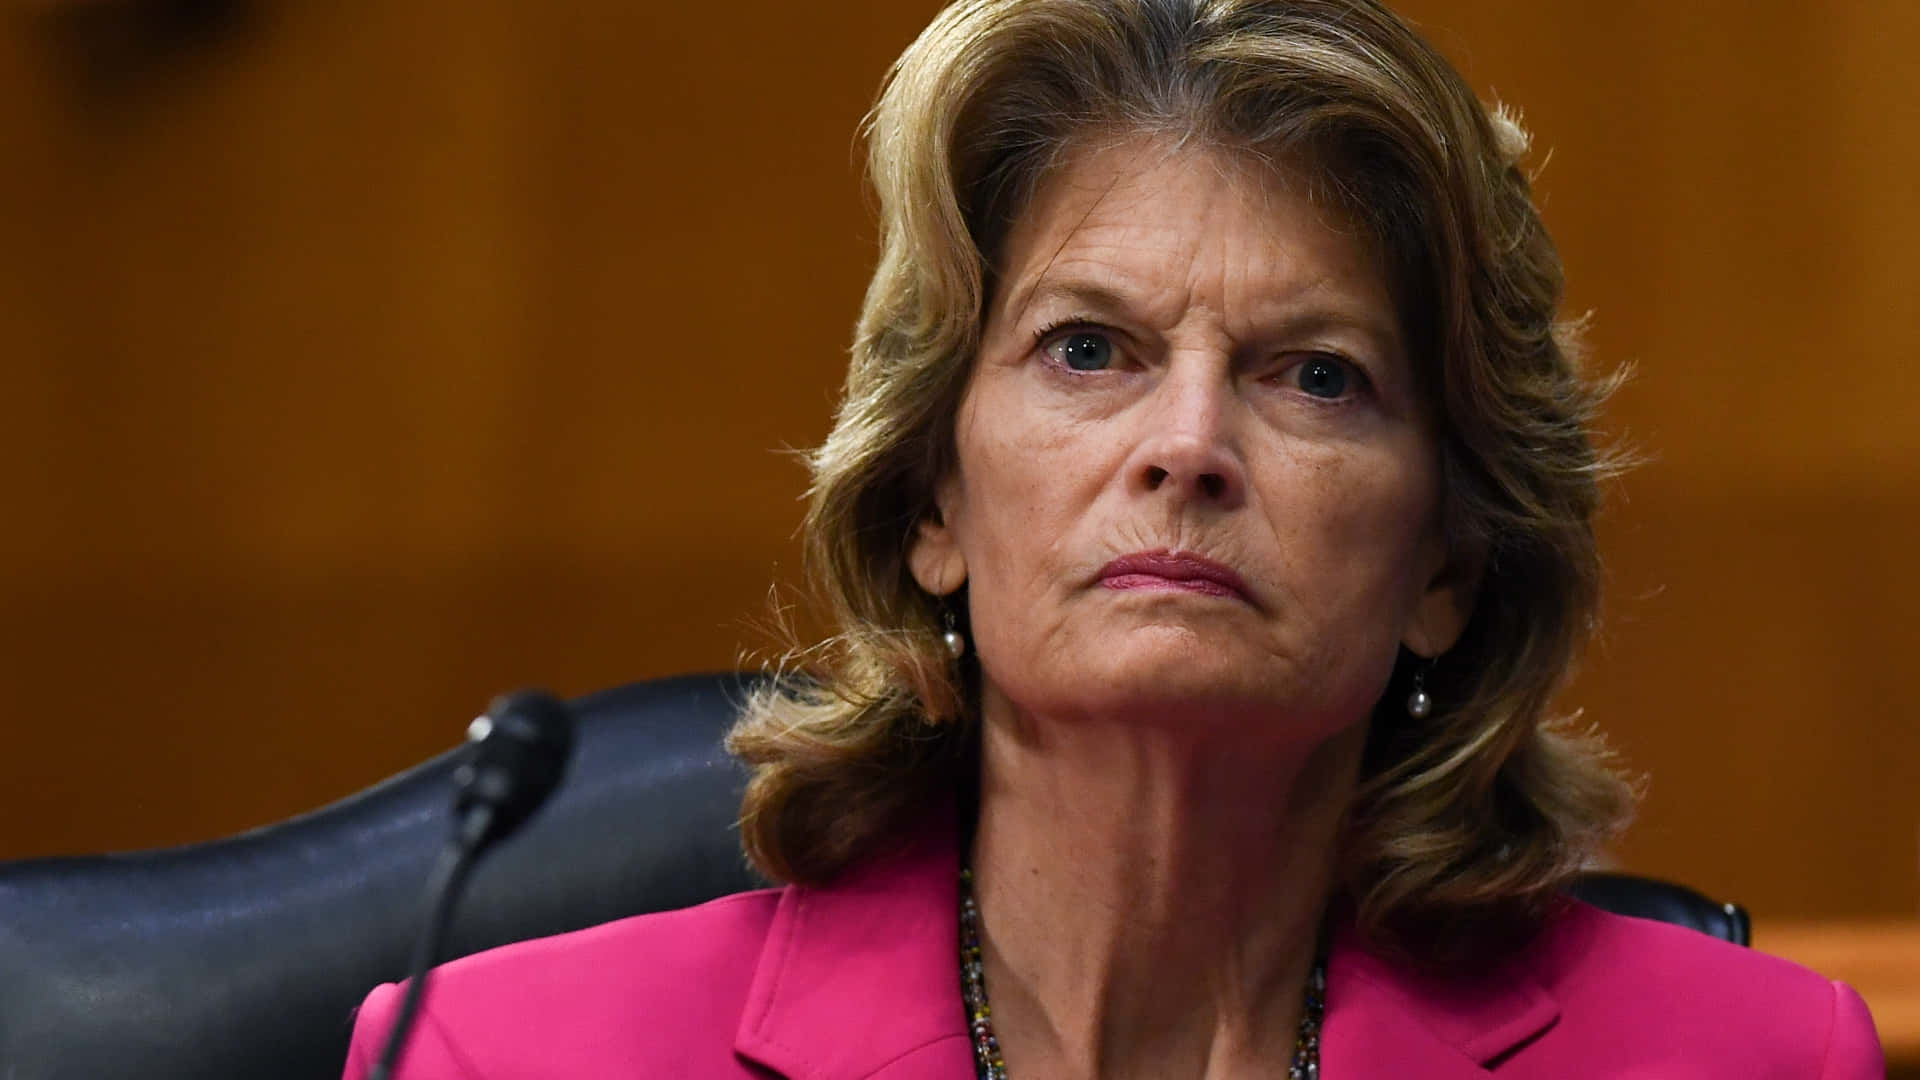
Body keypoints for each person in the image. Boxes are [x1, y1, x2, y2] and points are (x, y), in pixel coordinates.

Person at [343, 1, 1884, 1076]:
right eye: (1088, 350)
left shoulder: (1750, 1060)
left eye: (1316, 376)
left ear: (1445, 564)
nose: (1189, 446)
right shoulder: (504, 1058)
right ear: (935, 500)